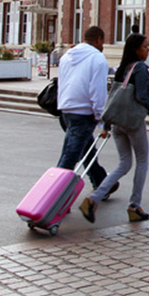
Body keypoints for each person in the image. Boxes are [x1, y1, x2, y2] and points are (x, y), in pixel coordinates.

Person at [79, 33, 149, 223]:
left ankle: (94, 199)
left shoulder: (121, 68)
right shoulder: (140, 68)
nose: (148, 50)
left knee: (124, 163)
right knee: (142, 161)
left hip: (117, 123)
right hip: (133, 122)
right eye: (145, 46)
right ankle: (135, 206)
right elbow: (141, 96)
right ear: (136, 50)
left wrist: (107, 125)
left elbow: (114, 98)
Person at [56, 25, 117, 197]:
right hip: (83, 113)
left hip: (66, 110)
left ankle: (101, 183)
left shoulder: (68, 55)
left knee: (85, 150)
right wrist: (102, 118)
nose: (103, 46)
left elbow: (63, 83)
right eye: (102, 42)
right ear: (98, 40)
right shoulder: (97, 59)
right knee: (69, 158)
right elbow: (97, 92)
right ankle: (54, 198)